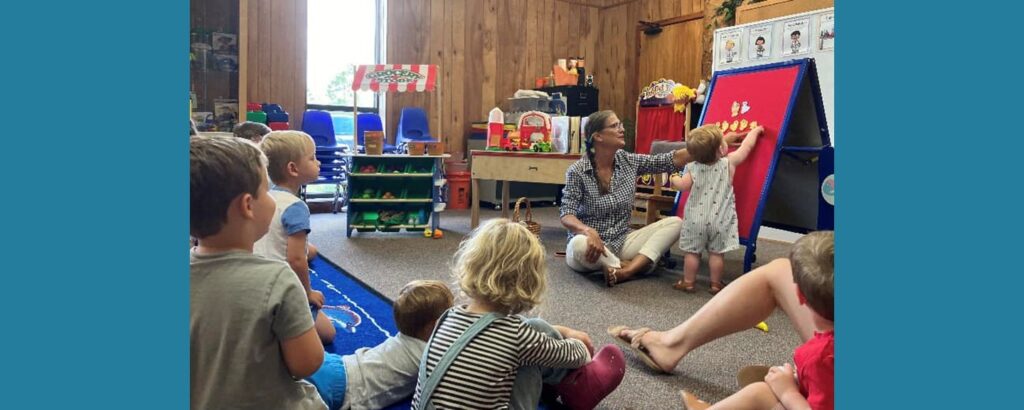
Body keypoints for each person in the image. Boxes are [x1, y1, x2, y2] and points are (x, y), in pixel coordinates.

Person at [413, 219, 626, 410]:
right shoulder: (517, 335)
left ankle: (559, 384)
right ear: (528, 282)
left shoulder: (447, 317)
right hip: (543, 349)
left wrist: (556, 330)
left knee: (530, 335)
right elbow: (574, 355)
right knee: (530, 357)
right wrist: (576, 341)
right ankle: (579, 384)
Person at [609, 231, 834, 410]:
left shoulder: (823, 356)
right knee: (779, 270)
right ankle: (670, 345)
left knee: (761, 394)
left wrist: (789, 393)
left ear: (801, 296)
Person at [190, 135, 327, 410]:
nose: (273, 198)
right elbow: (307, 363)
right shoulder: (277, 279)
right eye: (266, 190)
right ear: (248, 205)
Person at [560, 110, 745, 287]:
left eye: (621, 125)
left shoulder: (628, 161)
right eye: (615, 126)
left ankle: (627, 270)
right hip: (590, 248)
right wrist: (587, 231)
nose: (622, 129)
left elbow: (670, 160)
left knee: (676, 223)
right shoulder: (577, 171)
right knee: (578, 245)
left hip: (621, 242)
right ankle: (631, 265)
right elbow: (566, 213)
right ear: (598, 136)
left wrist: (713, 145)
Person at [306, 280, 454, 410]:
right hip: (346, 389)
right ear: (434, 326)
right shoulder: (429, 355)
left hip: (340, 364)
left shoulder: (405, 334)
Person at [253, 130, 336, 344]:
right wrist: (307, 293)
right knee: (329, 334)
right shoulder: (296, 207)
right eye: (312, 158)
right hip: (279, 285)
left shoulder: (264, 197)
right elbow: (296, 259)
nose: (318, 163)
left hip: (255, 276)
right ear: (293, 169)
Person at [670, 125, 763, 294]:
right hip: (721, 219)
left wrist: (674, 178)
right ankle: (715, 284)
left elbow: (682, 186)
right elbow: (746, 147)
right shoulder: (728, 163)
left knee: (692, 253)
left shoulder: (693, 167)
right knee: (717, 254)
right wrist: (755, 132)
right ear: (721, 149)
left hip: (695, 220)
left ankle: (688, 282)